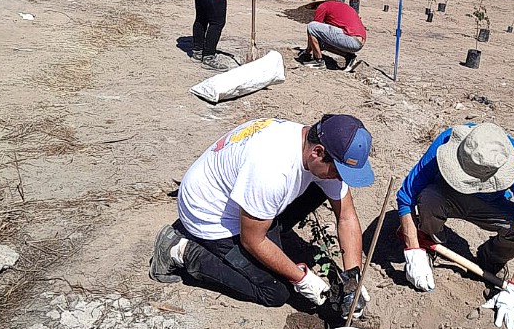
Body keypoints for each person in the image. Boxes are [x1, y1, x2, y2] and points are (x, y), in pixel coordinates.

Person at [150, 115, 375, 318]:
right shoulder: (272, 170)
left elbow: (346, 216)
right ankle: (179, 250)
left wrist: (352, 278)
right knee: (276, 291)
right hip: (208, 214)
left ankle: (265, 219)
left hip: (244, 197)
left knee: (322, 186)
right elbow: (253, 241)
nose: (339, 178)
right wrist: (302, 278)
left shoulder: (308, 144)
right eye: (338, 171)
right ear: (318, 152)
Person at [396, 122, 514, 329]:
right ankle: (430, 243)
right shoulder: (445, 143)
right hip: (446, 196)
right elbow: (406, 196)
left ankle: (490, 260)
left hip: (489, 205)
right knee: (428, 198)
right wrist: (413, 249)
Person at [298, 0, 366, 72]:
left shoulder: (323, 6)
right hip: (359, 41)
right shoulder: (341, 6)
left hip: (350, 38)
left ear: (318, 3)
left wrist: (307, 52)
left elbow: (313, 31)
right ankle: (349, 57)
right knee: (321, 42)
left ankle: (318, 61)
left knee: (312, 26)